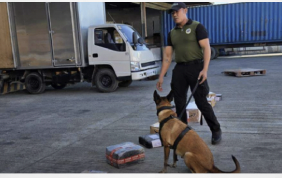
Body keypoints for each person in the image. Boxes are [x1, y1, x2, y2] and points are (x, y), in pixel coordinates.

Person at [156, 2, 222, 145]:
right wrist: (161, 76)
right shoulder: (172, 33)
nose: (174, 14)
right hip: (180, 69)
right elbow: (167, 57)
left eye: (176, 11)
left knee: (201, 102)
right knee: (179, 103)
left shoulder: (197, 27)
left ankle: (216, 129)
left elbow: (206, 49)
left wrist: (205, 70)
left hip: (196, 67)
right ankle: (183, 133)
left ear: (185, 10)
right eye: (172, 13)